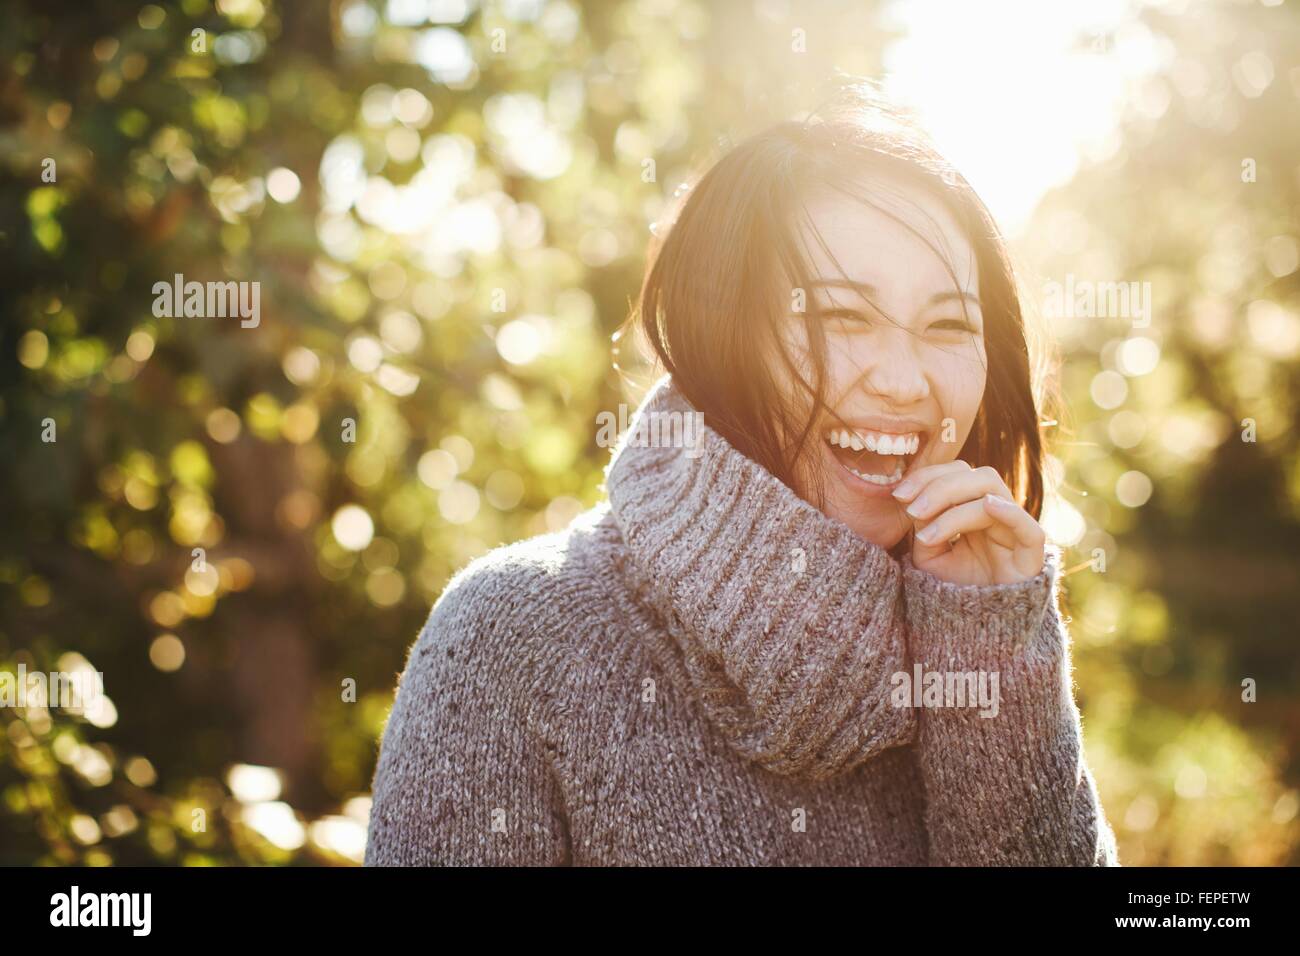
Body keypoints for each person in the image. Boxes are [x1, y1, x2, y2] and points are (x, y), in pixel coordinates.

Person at [365, 84, 1120, 866]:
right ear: (726, 337)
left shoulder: (984, 622)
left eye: (948, 325)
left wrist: (985, 655)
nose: (902, 380)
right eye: (841, 317)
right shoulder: (511, 638)